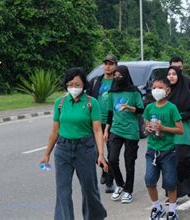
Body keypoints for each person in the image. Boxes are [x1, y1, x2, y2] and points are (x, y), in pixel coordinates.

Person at [40, 67, 108, 220]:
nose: (74, 87)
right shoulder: (60, 103)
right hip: (63, 149)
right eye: (70, 84)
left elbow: (97, 130)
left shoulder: (92, 103)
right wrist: (46, 154)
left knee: (89, 189)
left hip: (85, 148)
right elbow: (54, 131)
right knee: (63, 190)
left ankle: (95, 217)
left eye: (77, 84)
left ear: (84, 85)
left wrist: (101, 154)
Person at [143, 77, 184, 220]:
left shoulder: (172, 108)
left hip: (168, 152)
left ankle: (172, 211)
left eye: (160, 88)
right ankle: (157, 207)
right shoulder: (149, 107)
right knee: (149, 180)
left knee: (170, 183)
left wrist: (163, 128)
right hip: (152, 151)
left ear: (167, 90)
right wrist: (147, 128)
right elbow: (146, 128)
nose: (156, 90)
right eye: (154, 87)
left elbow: (180, 130)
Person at [104, 65, 144, 204]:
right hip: (116, 129)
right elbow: (110, 112)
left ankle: (128, 191)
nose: (117, 77)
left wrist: (128, 107)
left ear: (125, 75)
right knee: (112, 158)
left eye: (119, 75)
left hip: (131, 131)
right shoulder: (112, 92)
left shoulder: (134, 92)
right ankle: (120, 184)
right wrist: (106, 130)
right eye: (115, 75)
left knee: (129, 162)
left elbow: (141, 109)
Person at [167, 66, 190, 198]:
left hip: (182, 134)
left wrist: (179, 116)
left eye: (174, 74)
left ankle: (189, 179)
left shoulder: (186, 93)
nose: (171, 76)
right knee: (169, 166)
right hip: (167, 135)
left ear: (179, 76)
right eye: (169, 74)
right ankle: (172, 195)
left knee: (182, 163)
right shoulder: (165, 93)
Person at [87, 54, 118, 193]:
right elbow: (87, 99)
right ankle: (105, 168)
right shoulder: (95, 81)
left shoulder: (118, 82)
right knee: (94, 152)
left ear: (115, 66)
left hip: (113, 122)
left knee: (112, 154)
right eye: (106, 63)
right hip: (96, 122)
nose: (108, 66)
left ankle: (110, 182)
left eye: (111, 63)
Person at [169, 56, 190, 131]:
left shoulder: (188, 82)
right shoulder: (164, 83)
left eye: (179, 67)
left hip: (183, 123)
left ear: (182, 68)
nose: (177, 70)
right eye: (174, 67)